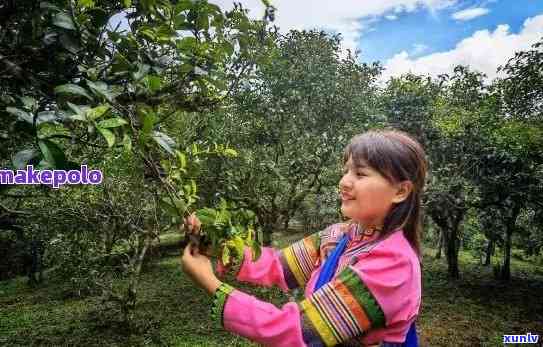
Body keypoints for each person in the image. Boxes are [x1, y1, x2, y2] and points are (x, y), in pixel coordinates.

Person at [181, 129, 427, 347]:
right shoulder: (339, 235)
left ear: (400, 191)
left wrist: (211, 285)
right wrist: (211, 243)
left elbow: (298, 331)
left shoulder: (394, 265)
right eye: (346, 171)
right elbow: (278, 266)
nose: (343, 182)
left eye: (360, 174)